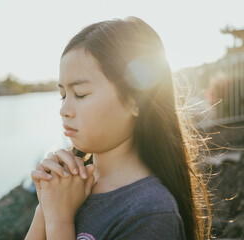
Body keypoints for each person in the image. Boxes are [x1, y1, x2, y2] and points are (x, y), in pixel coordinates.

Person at [25, 16, 210, 240]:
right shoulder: (69, 187)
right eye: (63, 95)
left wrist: (59, 220)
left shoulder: (150, 213)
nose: (64, 110)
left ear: (136, 101)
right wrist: (46, 203)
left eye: (80, 94)